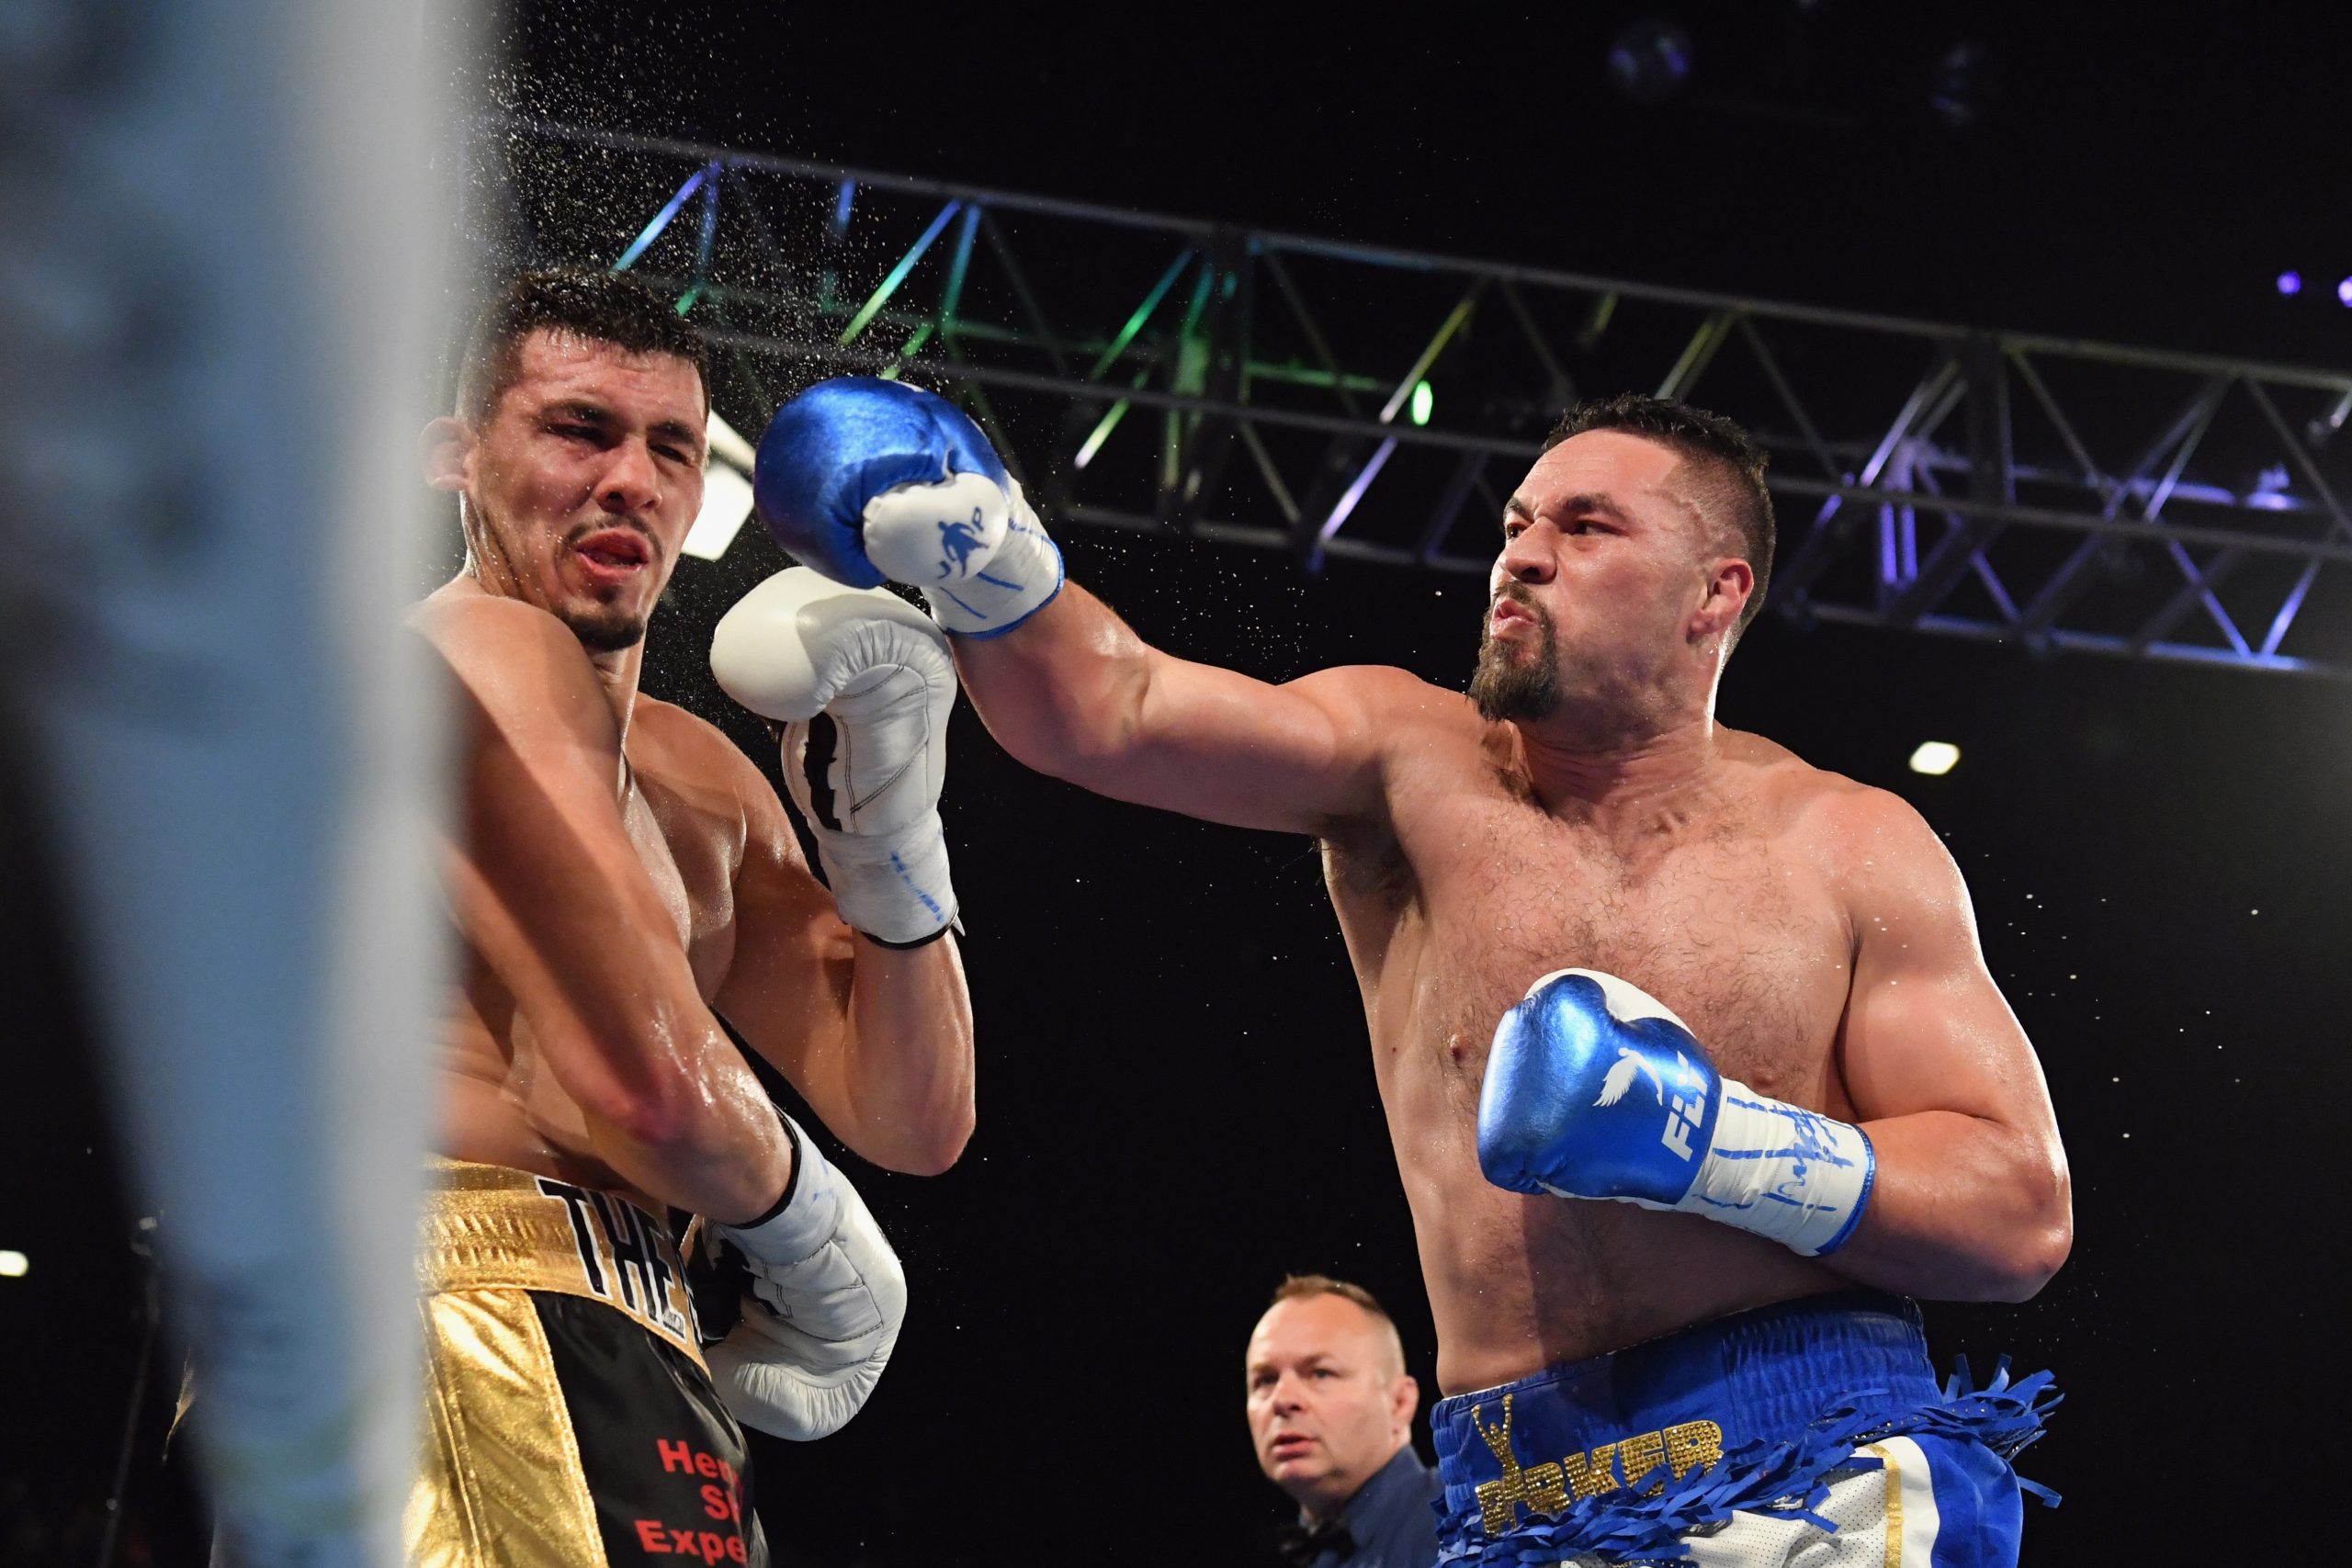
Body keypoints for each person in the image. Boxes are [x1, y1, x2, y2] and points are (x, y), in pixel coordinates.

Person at [749, 378, 2071, 1566]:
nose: (1522, 555)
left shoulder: (1850, 843)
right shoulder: (1405, 759)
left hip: (1808, 1457)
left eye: (1585, 528)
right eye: (1515, 524)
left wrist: (1710, 1140)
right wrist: (988, 550)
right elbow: (1115, 708)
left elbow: (2017, 1213)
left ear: (1714, 592)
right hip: (1514, 1494)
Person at [408, 275, 976, 1567]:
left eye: (671, 446)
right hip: (458, 1301)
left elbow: (915, 1114)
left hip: (635, 1343)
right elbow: (645, 1083)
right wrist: (819, 1247)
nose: (632, 479)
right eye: (579, 429)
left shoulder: (700, 779)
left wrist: (891, 842)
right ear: (456, 454)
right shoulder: (463, 663)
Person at [1247, 1277, 1441, 1568]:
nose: (1282, 1399)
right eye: (1265, 1380)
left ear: (1400, 1402)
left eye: (1321, 1373)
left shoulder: (1470, 1523)